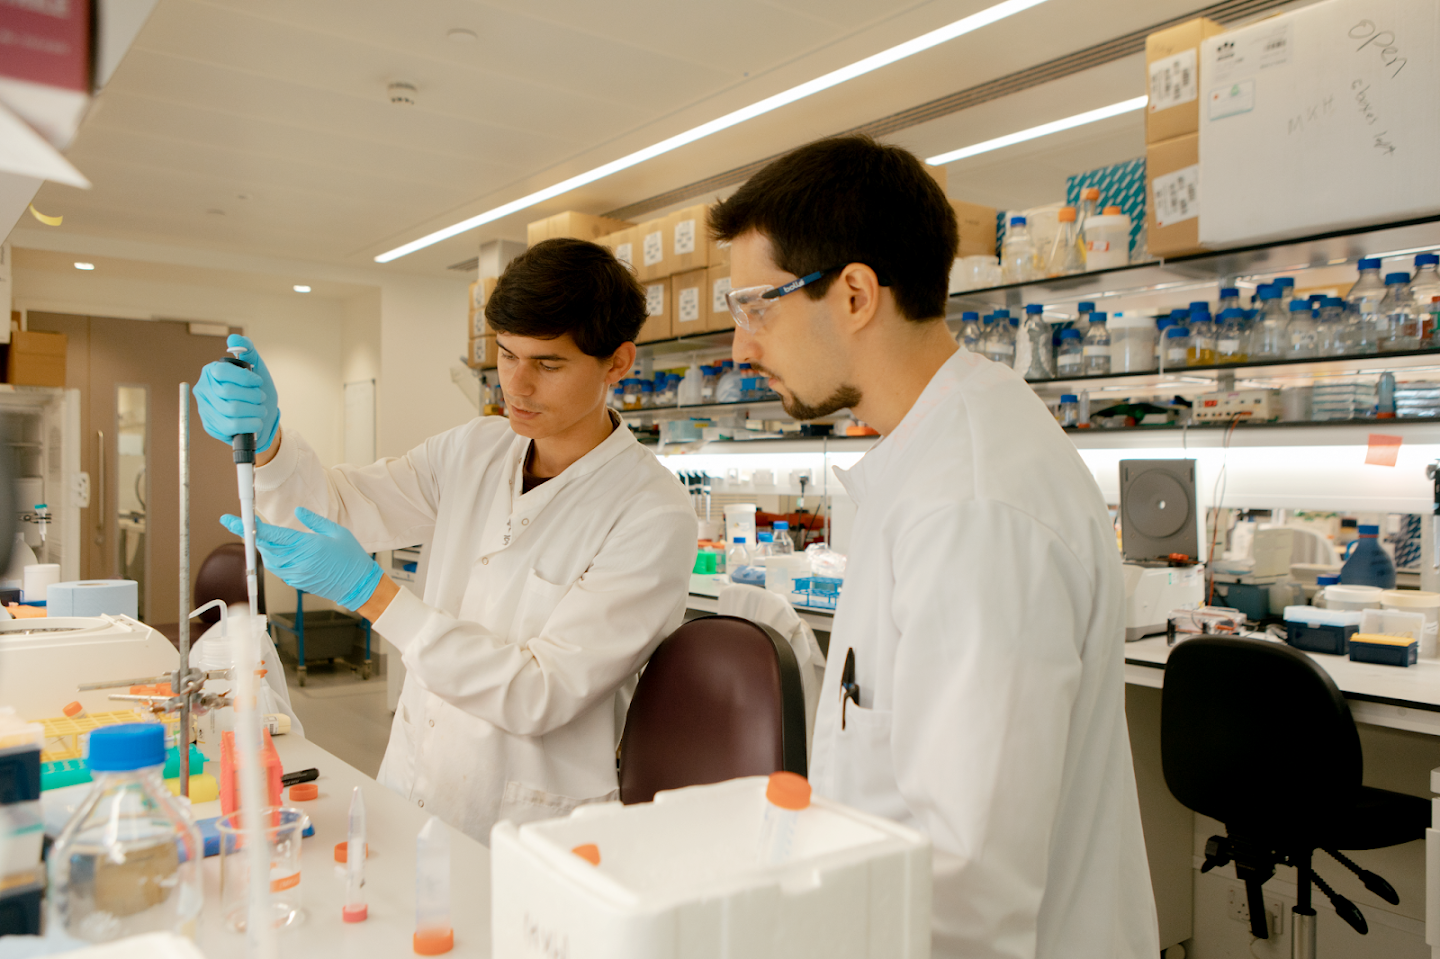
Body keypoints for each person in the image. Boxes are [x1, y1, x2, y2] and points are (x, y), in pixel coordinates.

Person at [709, 136, 1158, 959]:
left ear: (853, 295)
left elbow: (966, 887)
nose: (742, 346)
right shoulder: (934, 455)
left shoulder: (973, 505)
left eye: (756, 305)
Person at [193, 238, 698, 842]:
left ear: (618, 362)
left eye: (548, 364)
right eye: (507, 356)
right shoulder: (475, 450)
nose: (517, 385)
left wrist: (373, 595)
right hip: (412, 780)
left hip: (529, 822)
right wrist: (270, 444)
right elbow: (340, 508)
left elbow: (538, 693)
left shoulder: (651, 510)